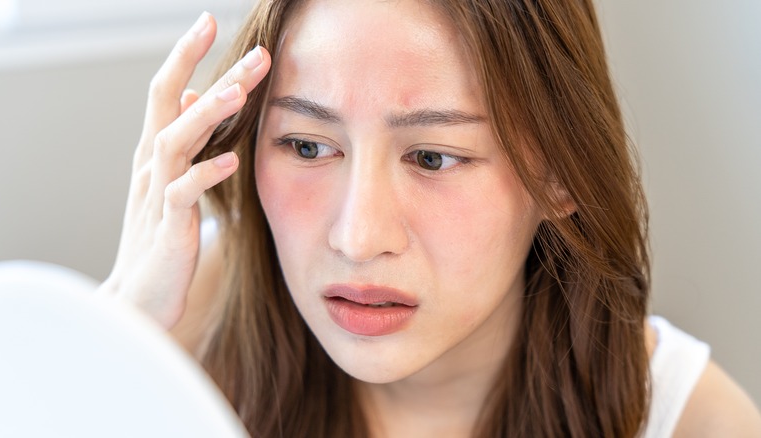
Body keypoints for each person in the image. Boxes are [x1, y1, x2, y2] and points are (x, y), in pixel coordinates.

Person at [98, 0, 761, 436]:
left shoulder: (691, 422)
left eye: (433, 158)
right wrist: (112, 333)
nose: (357, 238)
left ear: (560, 174)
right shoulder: (186, 320)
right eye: (306, 146)